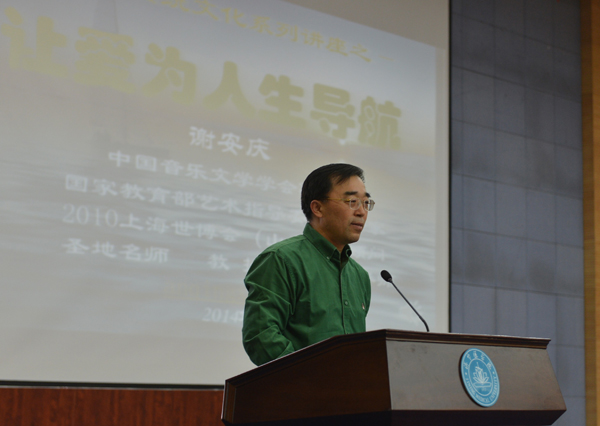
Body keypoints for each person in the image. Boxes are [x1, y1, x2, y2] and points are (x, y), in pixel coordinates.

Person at [242, 163, 374, 366]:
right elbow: (261, 336)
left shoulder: (359, 276)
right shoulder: (281, 259)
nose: (361, 212)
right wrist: (310, 378)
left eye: (366, 203)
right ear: (317, 208)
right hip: (298, 386)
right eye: (352, 201)